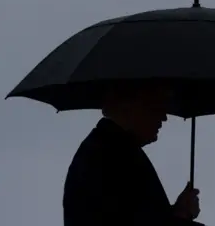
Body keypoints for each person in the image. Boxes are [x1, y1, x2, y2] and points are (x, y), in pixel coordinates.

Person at [63, 83, 203, 225]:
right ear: (128, 107)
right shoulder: (113, 158)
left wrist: (177, 213)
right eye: (156, 106)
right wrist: (180, 216)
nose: (164, 116)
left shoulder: (110, 150)